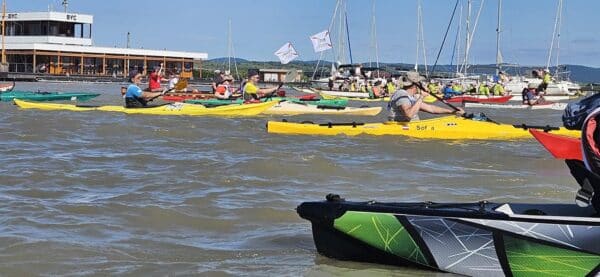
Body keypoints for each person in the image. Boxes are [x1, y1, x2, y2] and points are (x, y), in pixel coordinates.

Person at [387, 72, 464, 122]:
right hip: (402, 128)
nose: (422, 84)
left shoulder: (412, 97)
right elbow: (408, 115)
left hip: (413, 126)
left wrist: (453, 112)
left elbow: (431, 109)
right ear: (416, 84)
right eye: (420, 82)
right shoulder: (402, 94)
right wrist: (421, 97)